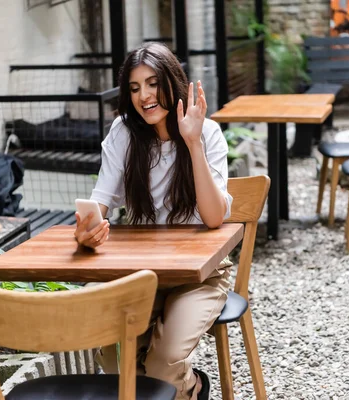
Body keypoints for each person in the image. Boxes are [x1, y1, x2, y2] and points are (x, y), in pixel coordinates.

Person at [73, 42, 233, 400]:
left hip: (199, 276)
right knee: (115, 357)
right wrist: (88, 230)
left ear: (171, 82)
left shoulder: (206, 133)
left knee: (161, 366)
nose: (143, 96)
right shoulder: (123, 133)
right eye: (133, 87)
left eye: (151, 83)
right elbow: (100, 202)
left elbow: (213, 218)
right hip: (139, 273)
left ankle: (194, 388)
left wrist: (192, 142)